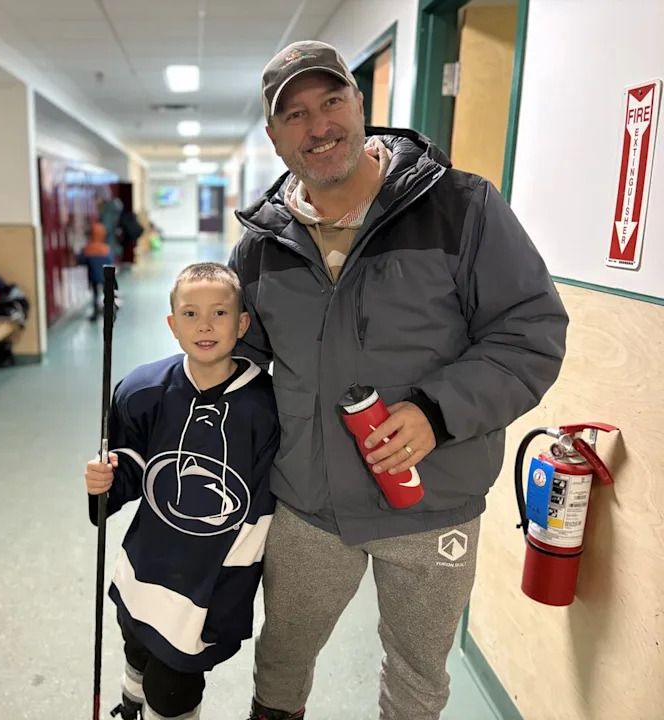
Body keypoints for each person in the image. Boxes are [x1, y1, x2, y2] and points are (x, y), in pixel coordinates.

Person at [229, 40, 569, 720]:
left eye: (331, 100)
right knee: (282, 660)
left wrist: (435, 413)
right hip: (308, 503)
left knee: (417, 679)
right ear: (274, 137)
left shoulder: (462, 209)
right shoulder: (261, 246)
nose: (318, 126)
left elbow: (529, 333)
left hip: (429, 500)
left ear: (361, 105)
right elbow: (239, 366)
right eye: (294, 115)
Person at [85, 262, 280, 720]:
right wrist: (104, 479)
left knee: (173, 684)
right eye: (190, 314)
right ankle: (131, 701)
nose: (205, 325)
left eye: (219, 313)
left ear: (242, 324)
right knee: (136, 641)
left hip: (211, 578)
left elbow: (261, 511)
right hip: (147, 560)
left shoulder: (267, 407)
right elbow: (129, 467)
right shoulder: (142, 389)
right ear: (172, 325)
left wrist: (233, 585)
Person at [77, 221, 115, 321]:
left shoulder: (87, 249)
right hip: (106, 276)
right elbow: (111, 260)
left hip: (93, 276)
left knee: (95, 294)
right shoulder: (106, 249)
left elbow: (81, 260)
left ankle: (95, 313)